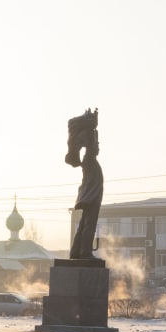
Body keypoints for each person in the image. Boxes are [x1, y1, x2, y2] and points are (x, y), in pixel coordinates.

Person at [65, 108, 102, 261]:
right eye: (96, 143)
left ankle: (76, 251)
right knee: (89, 224)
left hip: (90, 195)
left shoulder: (89, 161)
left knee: (84, 223)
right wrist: (91, 128)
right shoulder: (90, 160)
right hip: (92, 196)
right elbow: (92, 147)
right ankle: (85, 252)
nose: (98, 145)